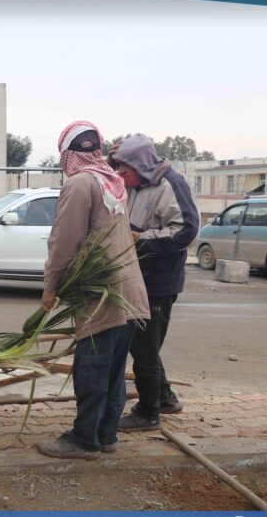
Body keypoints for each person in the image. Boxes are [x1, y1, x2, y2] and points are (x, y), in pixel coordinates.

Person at [37, 121, 150, 460]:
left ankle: (84, 440)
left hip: (104, 297)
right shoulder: (113, 182)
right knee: (114, 372)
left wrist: (50, 288)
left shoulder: (80, 184)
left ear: (67, 154)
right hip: (130, 294)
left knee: (91, 369)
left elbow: (64, 242)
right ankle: (106, 434)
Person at [108, 134, 200, 432]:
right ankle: (165, 397)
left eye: (124, 169)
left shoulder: (170, 184)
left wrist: (142, 240)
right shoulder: (136, 183)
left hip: (158, 281)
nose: (121, 175)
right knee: (144, 345)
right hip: (138, 276)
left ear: (141, 164)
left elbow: (187, 230)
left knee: (144, 348)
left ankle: (148, 412)